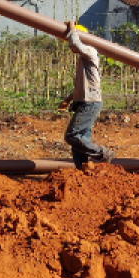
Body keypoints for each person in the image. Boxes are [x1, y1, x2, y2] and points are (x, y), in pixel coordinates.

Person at [57, 23, 115, 169]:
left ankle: (103, 154)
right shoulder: (83, 59)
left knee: (72, 135)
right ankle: (82, 170)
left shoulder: (90, 51)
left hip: (90, 103)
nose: (70, 46)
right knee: (80, 141)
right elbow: (82, 87)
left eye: (69, 43)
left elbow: (77, 44)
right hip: (86, 102)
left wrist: (71, 29)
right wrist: (68, 100)